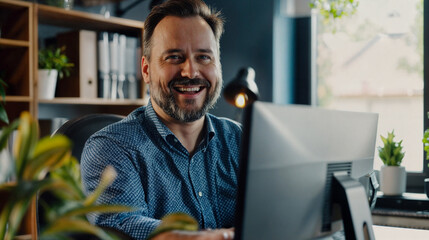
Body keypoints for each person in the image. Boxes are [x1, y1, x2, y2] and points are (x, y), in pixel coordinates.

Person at [80, 0, 241, 239]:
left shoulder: (240, 140)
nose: (191, 72)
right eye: (174, 57)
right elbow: (123, 225)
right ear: (146, 70)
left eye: (204, 57)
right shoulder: (111, 147)